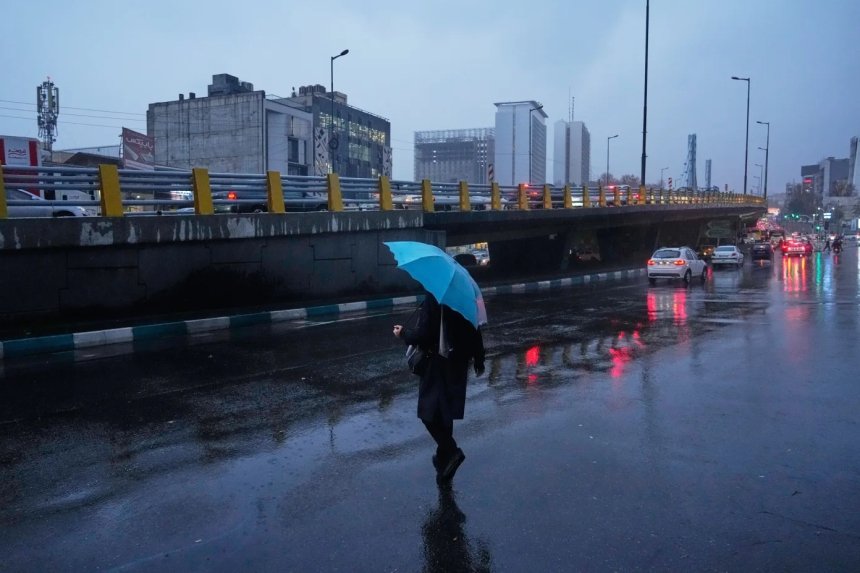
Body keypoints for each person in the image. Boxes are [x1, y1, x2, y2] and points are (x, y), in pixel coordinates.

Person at [393, 292, 485, 484]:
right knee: (445, 411)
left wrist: (403, 333)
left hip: (437, 363)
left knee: (428, 413)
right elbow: (474, 326)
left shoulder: (434, 298)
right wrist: (479, 357)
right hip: (459, 361)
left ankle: (451, 451)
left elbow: (424, 335)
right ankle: (443, 460)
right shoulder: (464, 297)